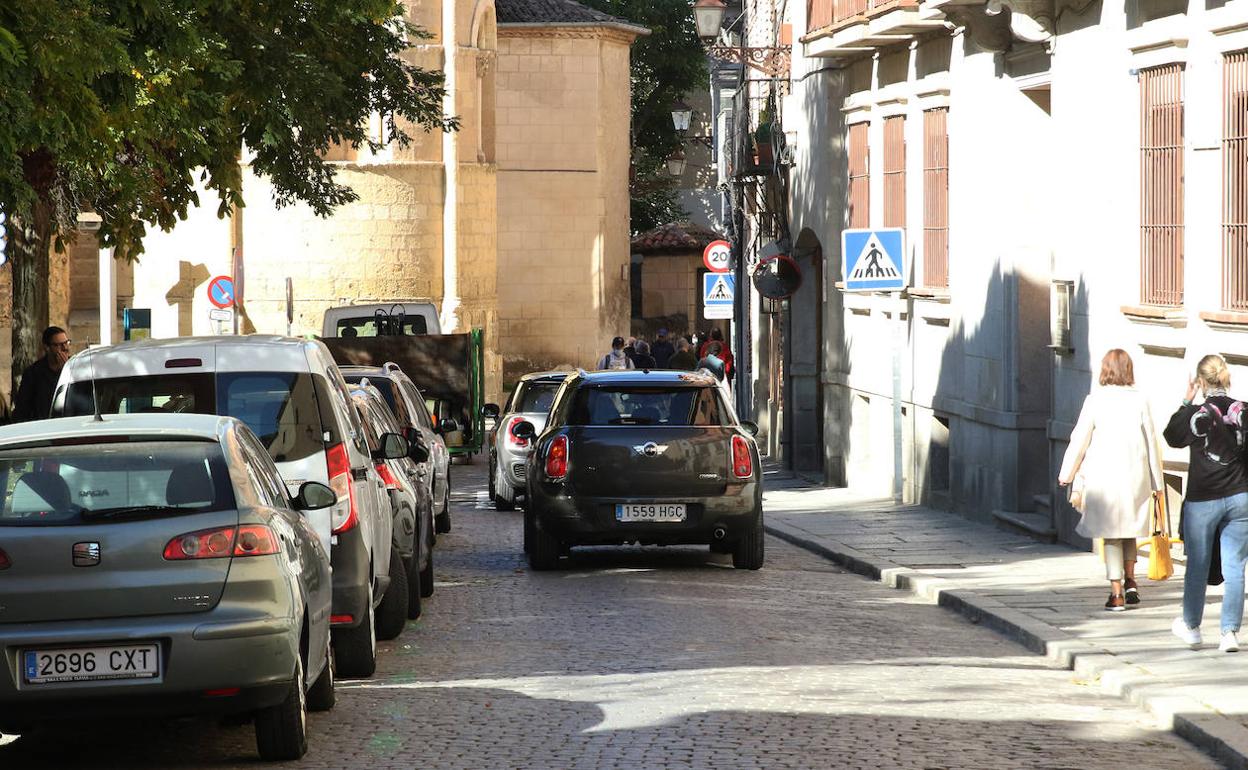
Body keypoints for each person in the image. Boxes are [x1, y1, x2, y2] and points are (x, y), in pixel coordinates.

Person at [1058, 349, 1163, 612]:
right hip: (1134, 476)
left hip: (1104, 476)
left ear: (1105, 370)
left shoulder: (1095, 400)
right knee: (1128, 528)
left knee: (1111, 535)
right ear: (1129, 370)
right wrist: (1158, 482)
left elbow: (1079, 439)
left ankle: (1116, 593)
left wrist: (1066, 473)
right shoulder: (1140, 400)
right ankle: (1130, 581)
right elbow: (1152, 443)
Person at [1164, 354, 1248, 652]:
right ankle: (1229, 634)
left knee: (1198, 565)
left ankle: (1191, 627)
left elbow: (1172, 436)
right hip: (1240, 496)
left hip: (1203, 499)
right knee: (1235, 566)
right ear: (1226, 378)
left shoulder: (1197, 412)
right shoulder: (1243, 411)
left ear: (1200, 382)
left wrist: (1186, 402)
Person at [13, 326, 71, 422]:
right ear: (47, 347)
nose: (65, 348)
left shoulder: (74, 367)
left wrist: (66, 369)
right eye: (59, 345)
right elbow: (22, 408)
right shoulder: (33, 373)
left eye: (66, 343)